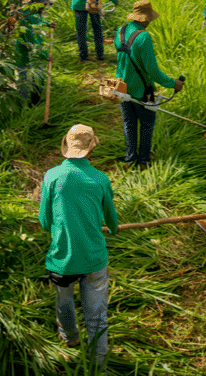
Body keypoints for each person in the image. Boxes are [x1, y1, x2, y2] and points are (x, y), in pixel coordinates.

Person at [39, 124, 119, 371]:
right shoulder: (100, 179)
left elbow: (44, 220)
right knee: (96, 317)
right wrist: (111, 228)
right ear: (91, 148)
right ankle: (99, 366)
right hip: (94, 258)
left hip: (62, 259)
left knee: (64, 301)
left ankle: (70, 337)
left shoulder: (52, 176)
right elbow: (112, 220)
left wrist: (60, 229)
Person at [114, 0, 184, 170]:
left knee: (129, 125)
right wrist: (173, 83)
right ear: (145, 18)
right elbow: (153, 71)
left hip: (121, 87)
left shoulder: (120, 31)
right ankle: (143, 161)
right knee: (146, 126)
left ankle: (130, 160)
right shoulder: (143, 37)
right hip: (144, 91)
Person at [14, 0, 54, 105]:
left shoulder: (35, 12)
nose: (45, 6)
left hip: (36, 56)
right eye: (44, 4)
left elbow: (38, 23)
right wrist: (46, 55)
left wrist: (47, 23)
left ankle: (34, 106)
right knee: (24, 84)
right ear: (36, 3)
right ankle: (21, 109)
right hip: (26, 55)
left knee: (38, 80)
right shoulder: (26, 16)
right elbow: (31, 40)